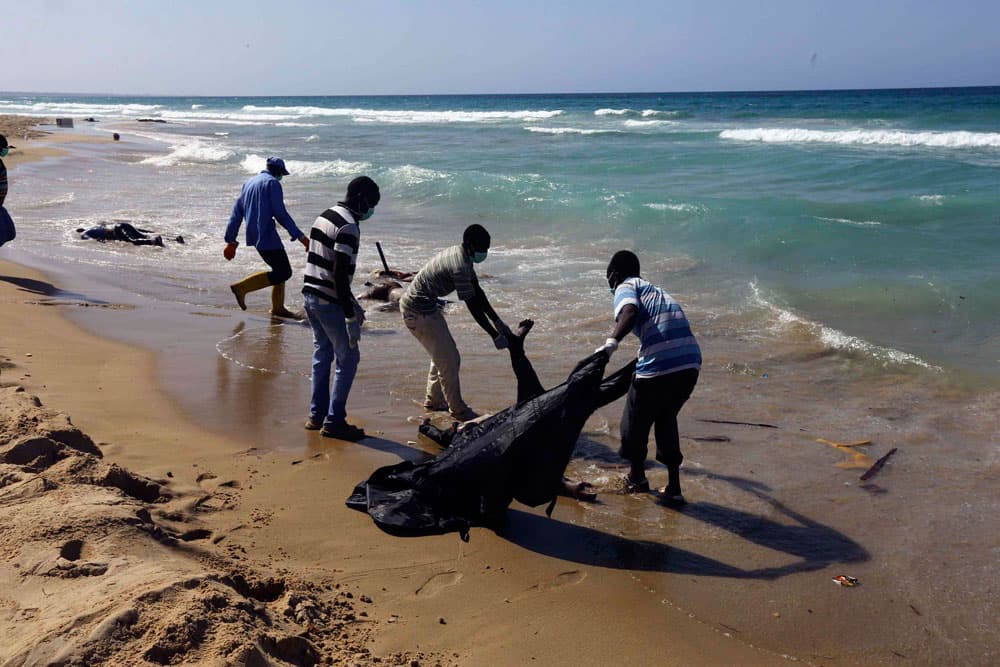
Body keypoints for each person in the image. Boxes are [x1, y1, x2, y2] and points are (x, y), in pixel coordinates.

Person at [596, 250, 701, 504]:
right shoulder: (657, 291)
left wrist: (611, 344)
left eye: (609, 279)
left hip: (660, 366)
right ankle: (673, 488)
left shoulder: (625, 286)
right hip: (690, 364)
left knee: (634, 421)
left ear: (613, 275)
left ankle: (637, 478)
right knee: (666, 417)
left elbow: (629, 313)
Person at [399, 224, 510, 422]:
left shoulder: (464, 257)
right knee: (450, 359)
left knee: (441, 354)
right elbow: (473, 305)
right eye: (483, 248)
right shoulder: (459, 265)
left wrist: (497, 321)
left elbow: (478, 292)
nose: (485, 253)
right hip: (417, 312)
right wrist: (493, 335)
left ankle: (433, 401)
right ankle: (458, 410)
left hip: (425, 308)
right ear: (470, 244)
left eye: (487, 248)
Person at [301, 176, 380, 441]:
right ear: (359, 198)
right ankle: (335, 421)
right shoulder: (348, 226)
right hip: (328, 300)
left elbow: (319, 261)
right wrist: (349, 314)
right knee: (348, 358)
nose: (371, 211)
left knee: (323, 353)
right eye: (371, 205)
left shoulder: (325, 215)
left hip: (311, 295)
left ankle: (316, 416)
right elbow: (338, 273)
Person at [224, 157, 308, 318]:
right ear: (278, 172)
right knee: (285, 272)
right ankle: (242, 288)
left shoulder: (248, 183)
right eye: (281, 174)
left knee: (279, 268)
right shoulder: (272, 184)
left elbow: (236, 214)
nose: (281, 177)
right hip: (266, 234)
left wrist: (231, 241)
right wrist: (301, 237)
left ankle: (278, 308)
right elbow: (281, 214)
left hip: (254, 234)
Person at [77, 222, 170, 247]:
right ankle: (173, 239)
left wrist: (101, 241)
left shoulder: (84, 233)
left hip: (117, 230)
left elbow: (89, 239)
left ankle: (154, 242)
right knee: (143, 235)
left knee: (132, 241)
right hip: (123, 224)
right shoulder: (96, 226)